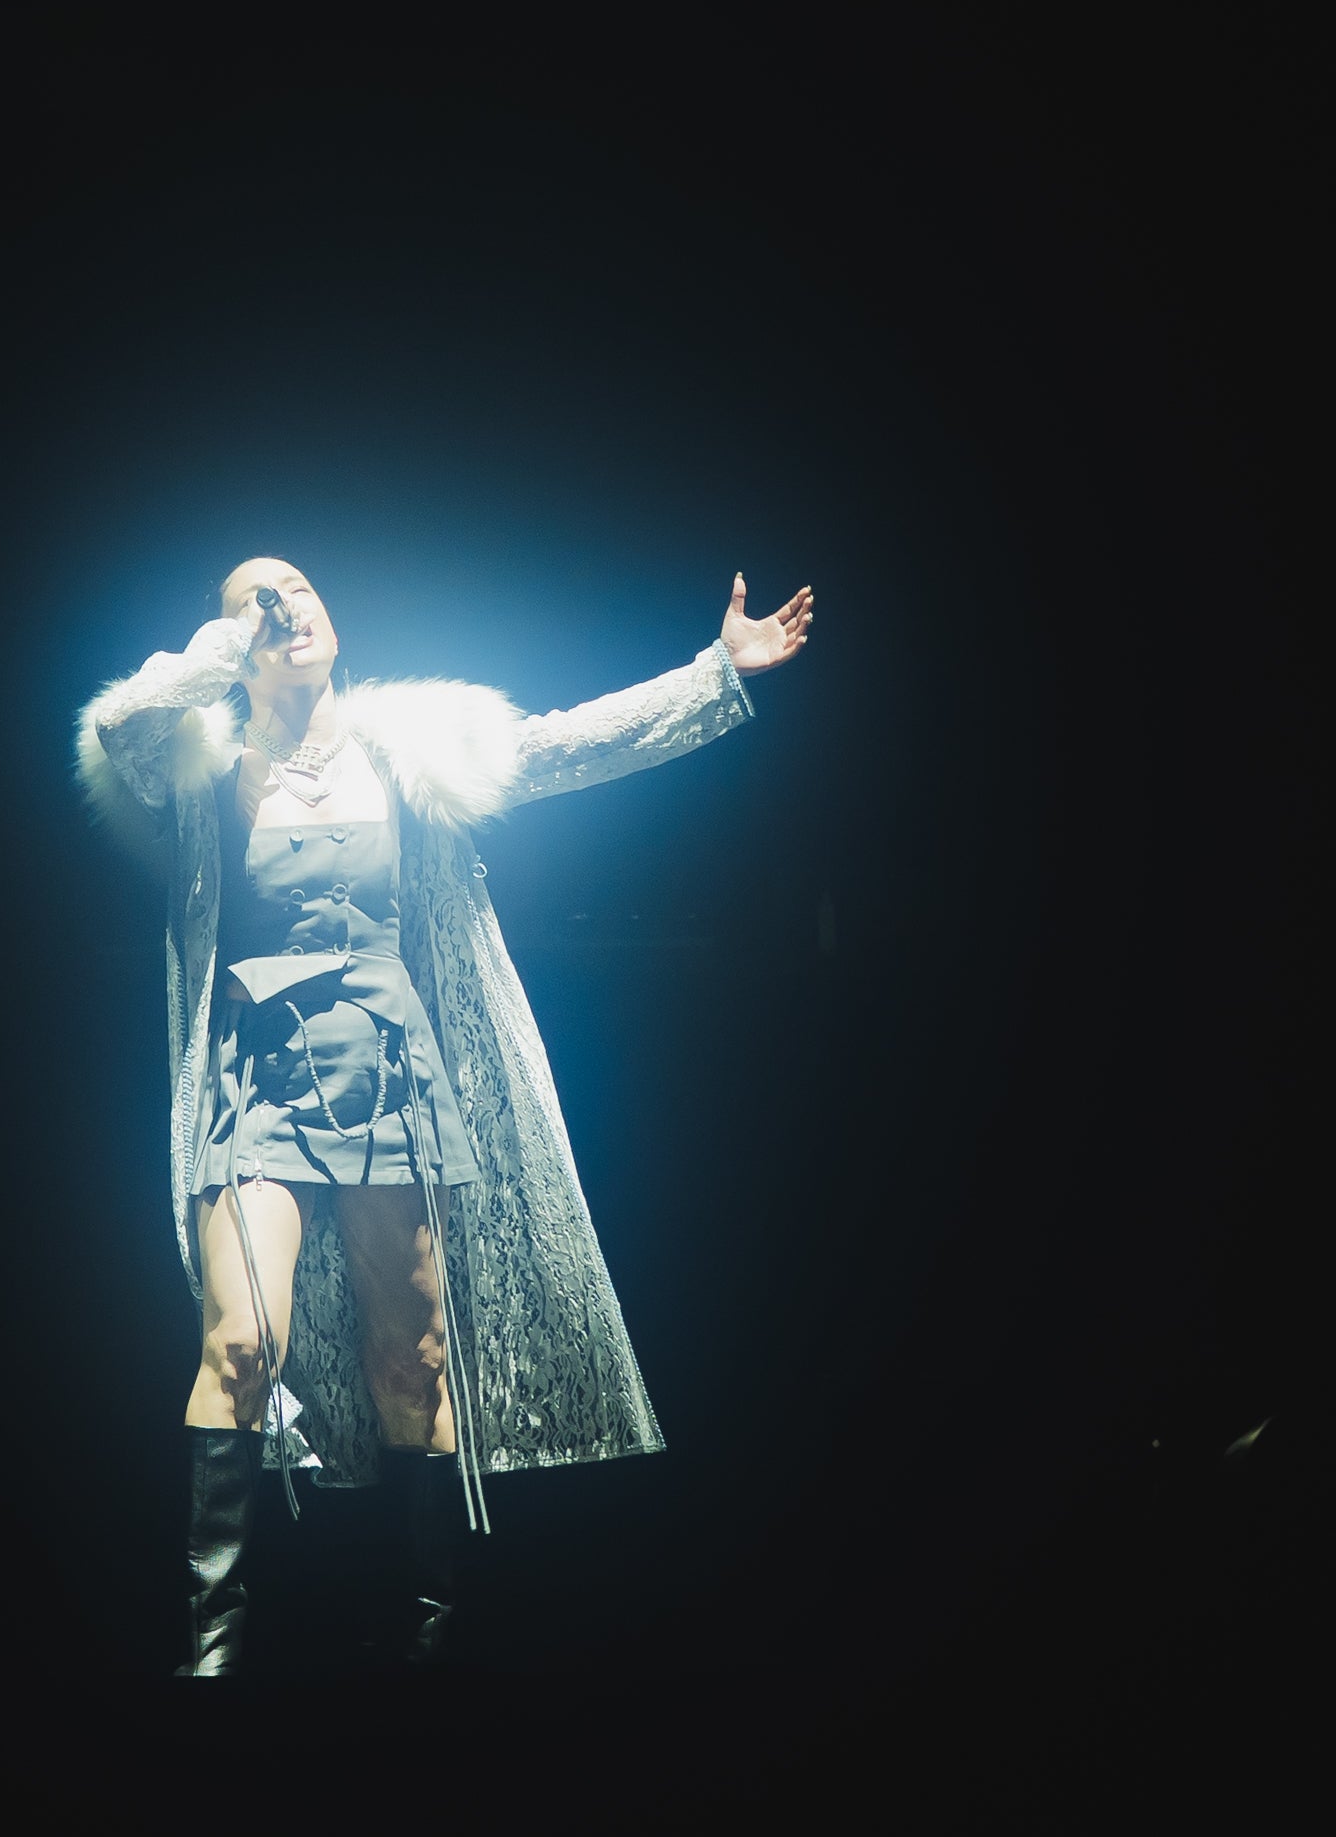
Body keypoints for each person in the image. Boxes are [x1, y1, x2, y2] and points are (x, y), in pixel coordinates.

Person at [76, 557, 817, 1672]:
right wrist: (228, 644)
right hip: (255, 1079)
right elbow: (123, 724)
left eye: (299, 587)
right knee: (242, 1338)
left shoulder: (411, 747)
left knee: (413, 1356)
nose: (286, 605)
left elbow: (571, 742)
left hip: (389, 1070)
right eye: (257, 598)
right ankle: (212, 1640)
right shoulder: (199, 763)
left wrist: (718, 669)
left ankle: (427, 1628)